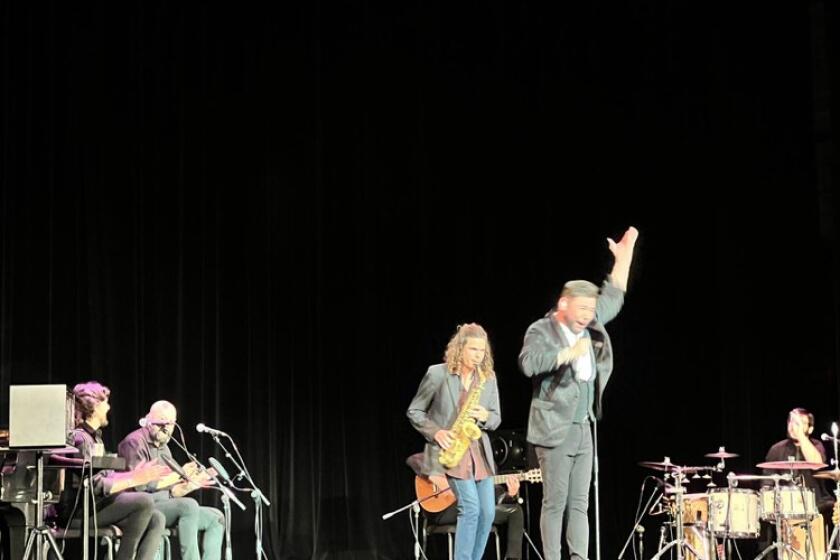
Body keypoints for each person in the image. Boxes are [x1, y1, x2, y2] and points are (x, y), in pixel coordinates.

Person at [518, 226, 638, 560]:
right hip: (553, 429)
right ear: (563, 304)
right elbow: (528, 363)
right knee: (555, 502)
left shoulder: (589, 322)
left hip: (585, 426)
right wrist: (561, 356)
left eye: (590, 310)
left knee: (581, 504)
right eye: (581, 310)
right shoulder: (541, 330)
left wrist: (624, 258)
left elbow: (613, 296)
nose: (587, 316)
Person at [407, 323, 501, 560]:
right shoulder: (437, 374)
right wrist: (437, 432)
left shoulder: (487, 379)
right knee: (470, 509)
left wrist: (485, 416)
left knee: (488, 513)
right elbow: (415, 411)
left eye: (482, 351)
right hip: (450, 453)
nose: (478, 356)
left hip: (479, 455)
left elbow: (496, 417)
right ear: (460, 349)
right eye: (473, 350)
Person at [55, 381, 169, 560]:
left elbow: (105, 475)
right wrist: (135, 479)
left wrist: (133, 475)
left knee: (157, 518)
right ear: (94, 406)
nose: (108, 407)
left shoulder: (96, 439)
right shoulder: (81, 439)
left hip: (96, 508)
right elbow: (93, 485)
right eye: (106, 402)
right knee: (144, 500)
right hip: (78, 514)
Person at [118, 400, 225, 560]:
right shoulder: (134, 443)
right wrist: (175, 478)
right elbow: (138, 487)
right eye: (161, 422)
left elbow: (171, 490)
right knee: (189, 505)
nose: (166, 428)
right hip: (142, 509)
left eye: (170, 424)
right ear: (148, 420)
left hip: (163, 504)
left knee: (216, 518)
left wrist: (189, 484)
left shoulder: (164, 449)